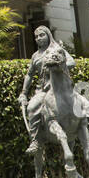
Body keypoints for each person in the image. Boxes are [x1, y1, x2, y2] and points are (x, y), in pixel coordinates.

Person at [19, 25, 65, 154]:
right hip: (44, 90)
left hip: (60, 87)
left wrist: (60, 62)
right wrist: (24, 93)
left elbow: (71, 63)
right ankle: (35, 140)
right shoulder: (35, 56)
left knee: (83, 104)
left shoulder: (57, 49)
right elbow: (29, 74)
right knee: (31, 108)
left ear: (48, 35)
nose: (38, 38)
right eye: (36, 37)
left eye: (41, 35)